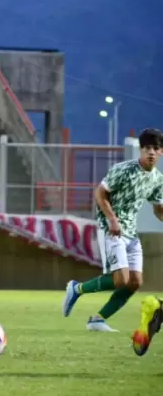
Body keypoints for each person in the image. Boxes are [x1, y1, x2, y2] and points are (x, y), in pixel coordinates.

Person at [63, 128, 163, 337]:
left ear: (161, 152)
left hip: (130, 232)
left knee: (135, 282)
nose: (151, 152)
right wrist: (112, 220)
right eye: (147, 148)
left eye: (155, 148)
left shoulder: (157, 178)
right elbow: (100, 193)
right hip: (111, 229)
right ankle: (77, 289)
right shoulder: (124, 170)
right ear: (140, 150)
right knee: (120, 280)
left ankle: (98, 320)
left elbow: (157, 208)